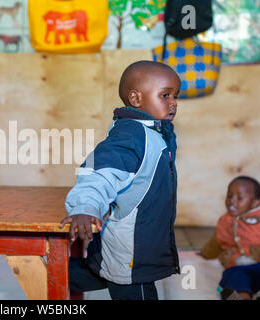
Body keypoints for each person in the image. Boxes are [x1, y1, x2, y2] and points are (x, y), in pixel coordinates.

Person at [60, 60, 181, 300]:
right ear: (136, 99)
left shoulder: (153, 132)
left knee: (101, 272)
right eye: (165, 95)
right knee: (132, 286)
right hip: (132, 249)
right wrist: (85, 207)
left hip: (137, 239)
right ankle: (45, 270)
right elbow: (97, 172)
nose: (173, 103)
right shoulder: (132, 135)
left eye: (176, 96)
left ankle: (49, 271)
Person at [200, 176, 260, 299]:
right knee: (232, 274)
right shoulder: (225, 221)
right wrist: (204, 254)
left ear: (255, 203)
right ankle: (242, 296)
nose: (232, 201)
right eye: (229, 195)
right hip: (239, 268)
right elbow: (216, 242)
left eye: (239, 198)